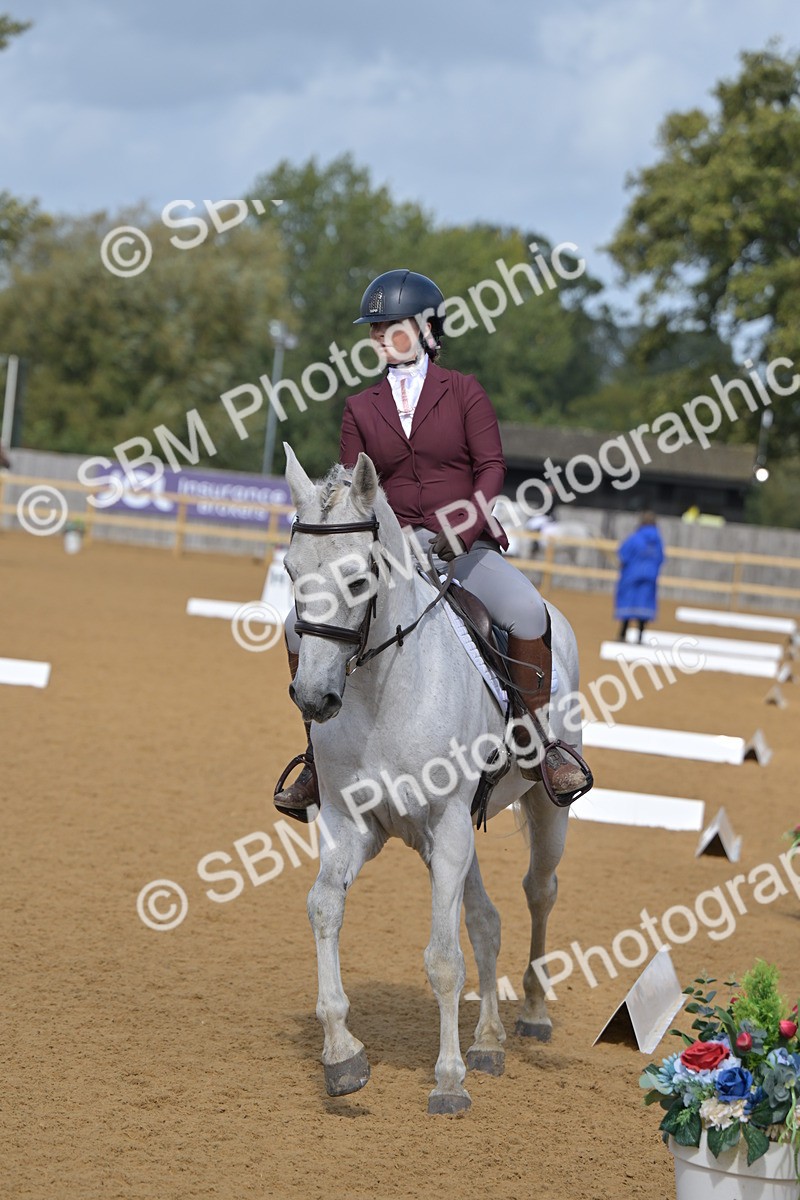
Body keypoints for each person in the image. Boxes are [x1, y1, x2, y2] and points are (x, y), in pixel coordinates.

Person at [275, 269, 592, 820]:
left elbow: (491, 467)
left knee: (524, 611)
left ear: (424, 328)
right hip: (393, 553)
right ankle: (316, 756)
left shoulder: (464, 391)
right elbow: (356, 488)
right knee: (293, 626)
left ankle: (544, 744)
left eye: (387, 326)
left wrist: (457, 530)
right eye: (373, 329)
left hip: (463, 547)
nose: (376, 337)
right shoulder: (359, 407)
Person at [614, 512, 665, 643]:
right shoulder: (658, 541)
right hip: (649, 577)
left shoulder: (635, 538)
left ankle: (622, 634)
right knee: (644, 605)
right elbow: (660, 558)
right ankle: (640, 637)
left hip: (631, 576)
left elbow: (623, 554)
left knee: (628, 603)